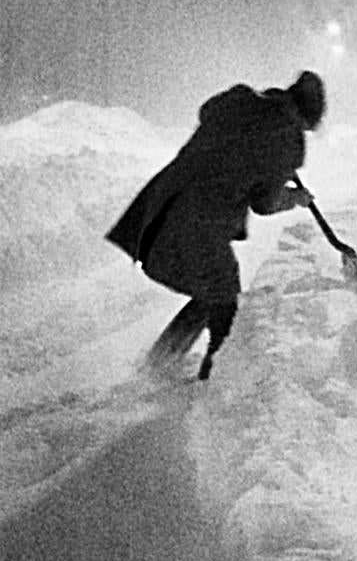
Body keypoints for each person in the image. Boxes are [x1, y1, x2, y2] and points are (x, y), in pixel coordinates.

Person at [106, 70, 326, 380]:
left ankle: (160, 362)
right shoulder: (286, 141)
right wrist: (295, 197)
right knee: (223, 299)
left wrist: (254, 118)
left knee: (213, 294)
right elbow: (264, 204)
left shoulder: (241, 100)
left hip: (162, 204)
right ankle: (215, 381)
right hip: (201, 223)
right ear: (306, 117)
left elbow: (208, 111)